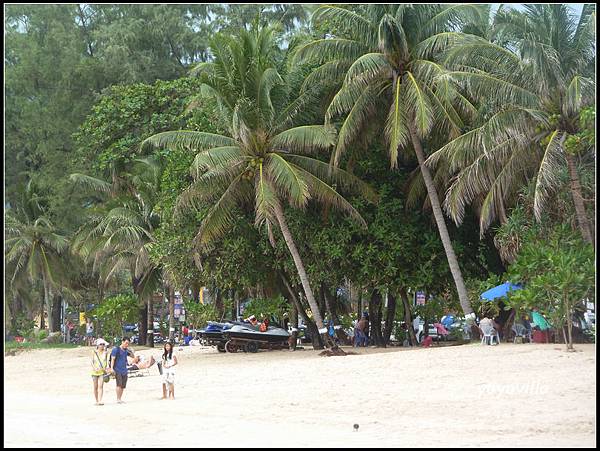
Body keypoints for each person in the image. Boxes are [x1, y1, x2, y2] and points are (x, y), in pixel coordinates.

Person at [110, 337, 130, 403]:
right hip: (117, 369)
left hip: (124, 369)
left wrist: (130, 351)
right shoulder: (116, 349)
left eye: (128, 344)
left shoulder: (126, 350)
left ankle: (120, 398)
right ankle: (118, 398)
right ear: (122, 342)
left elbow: (133, 356)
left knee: (123, 385)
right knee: (119, 384)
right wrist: (112, 368)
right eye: (126, 343)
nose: (127, 345)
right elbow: (112, 359)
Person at [91, 338, 110, 406]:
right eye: (101, 344)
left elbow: (107, 361)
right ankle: (96, 400)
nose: (102, 346)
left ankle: (100, 400)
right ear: (98, 345)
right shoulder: (94, 352)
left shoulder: (106, 353)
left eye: (103, 344)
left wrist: (107, 368)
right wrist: (94, 368)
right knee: (95, 387)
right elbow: (92, 362)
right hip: (94, 372)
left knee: (101, 386)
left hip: (102, 371)